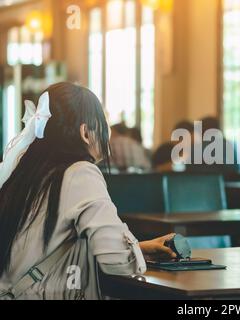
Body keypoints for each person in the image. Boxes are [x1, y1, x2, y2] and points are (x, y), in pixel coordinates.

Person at [0, 83, 176, 300]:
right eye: (104, 123)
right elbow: (117, 262)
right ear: (85, 132)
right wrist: (130, 253)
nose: (108, 132)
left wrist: (138, 248)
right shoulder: (80, 173)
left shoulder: (27, 174)